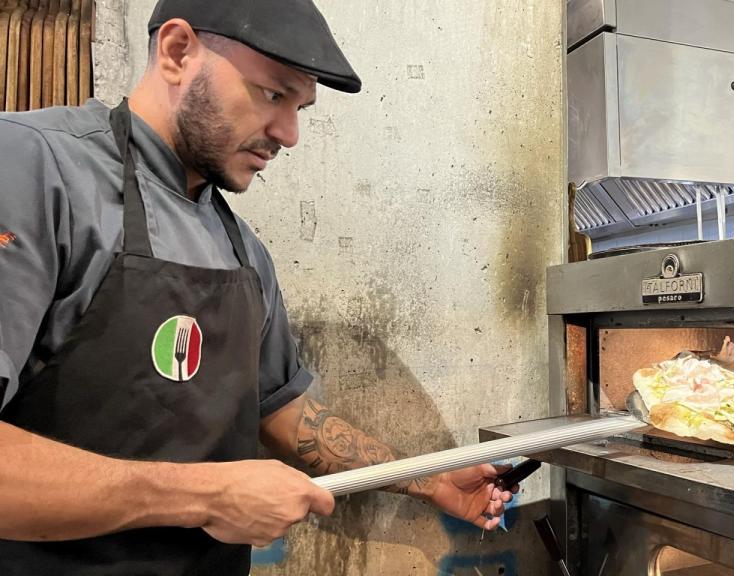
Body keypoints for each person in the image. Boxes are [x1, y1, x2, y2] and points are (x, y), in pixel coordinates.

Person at [0, 0, 516, 574]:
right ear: (177, 52)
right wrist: (205, 497)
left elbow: (283, 414)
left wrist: (431, 479)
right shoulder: (33, 167)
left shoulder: (243, 249)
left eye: (301, 107)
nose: (289, 135)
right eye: (273, 94)